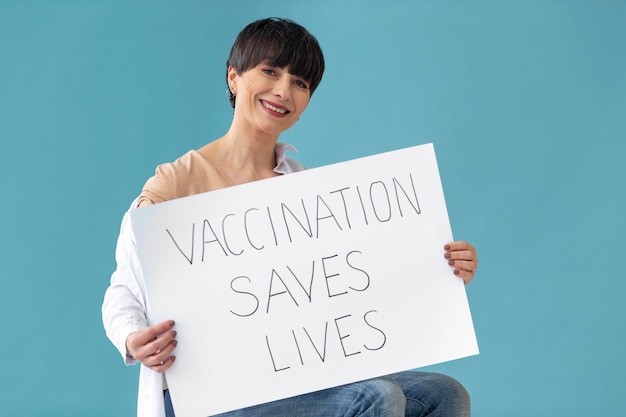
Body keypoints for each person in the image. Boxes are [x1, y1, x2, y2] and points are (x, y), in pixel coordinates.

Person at [102, 17, 479, 417]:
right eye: (270, 71)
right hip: (209, 393)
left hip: (292, 381)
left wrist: (440, 265)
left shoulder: (303, 187)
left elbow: (355, 279)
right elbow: (123, 288)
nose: (284, 90)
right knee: (375, 397)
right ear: (234, 77)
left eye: (300, 83)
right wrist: (131, 338)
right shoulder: (176, 182)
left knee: (445, 394)